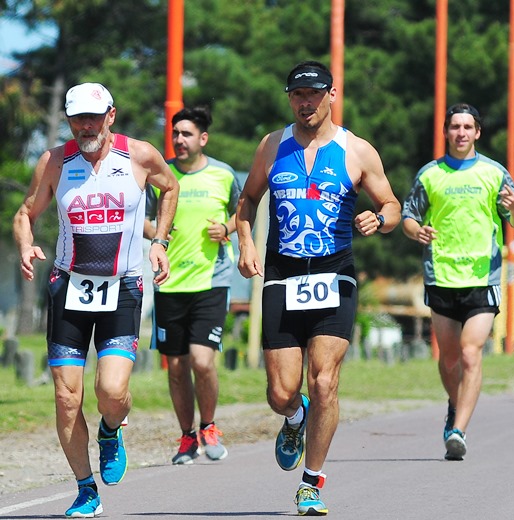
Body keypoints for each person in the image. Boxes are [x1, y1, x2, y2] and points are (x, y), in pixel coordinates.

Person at [236, 61, 401, 516]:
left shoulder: (357, 151)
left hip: (334, 272)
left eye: (313, 94)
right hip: (283, 273)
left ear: (332, 94)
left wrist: (380, 218)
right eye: (297, 95)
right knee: (281, 393)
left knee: (325, 379)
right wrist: (246, 240)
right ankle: (294, 417)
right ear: (290, 98)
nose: (305, 103)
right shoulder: (272, 146)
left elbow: (391, 204)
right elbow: (247, 199)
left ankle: (311, 483)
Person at [12, 82, 178, 517]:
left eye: (93, 116)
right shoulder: (54, 162)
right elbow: (25, 212)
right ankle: (86, 489)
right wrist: (26, 243)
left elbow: (170, 188)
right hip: (69, 287)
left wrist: (160, 241)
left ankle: (110, 429)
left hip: (122, 287)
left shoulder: (138, 155)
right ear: (69, 121)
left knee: (111, 390)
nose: (85, 126)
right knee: (67, 398)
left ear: (111, 115)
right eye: (76, 118)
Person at [403, 102, 514, 459]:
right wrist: (417, 232)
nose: (461, 133)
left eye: (467, 127)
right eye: (454, 127)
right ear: (446, 132)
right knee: (450, 358)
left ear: (477, 133)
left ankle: (458, 430)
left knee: (471, 353)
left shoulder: (494, 173)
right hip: (441, 275)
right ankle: (454, 405)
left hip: (481, 275)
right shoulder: (430, 174)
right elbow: (410, 216)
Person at [144, 106, 240, 464]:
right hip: (168, 281)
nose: (179, 140)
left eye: (187, 134)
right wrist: (159, 233)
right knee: (177, 366)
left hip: (210, 280)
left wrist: (227, 229)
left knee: (202, 361)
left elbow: (242, 209)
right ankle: (187, 438)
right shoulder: (160, 174)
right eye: (176, 134)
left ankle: (209, 426)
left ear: (203, 139)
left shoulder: (223, 174)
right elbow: (142, 220)